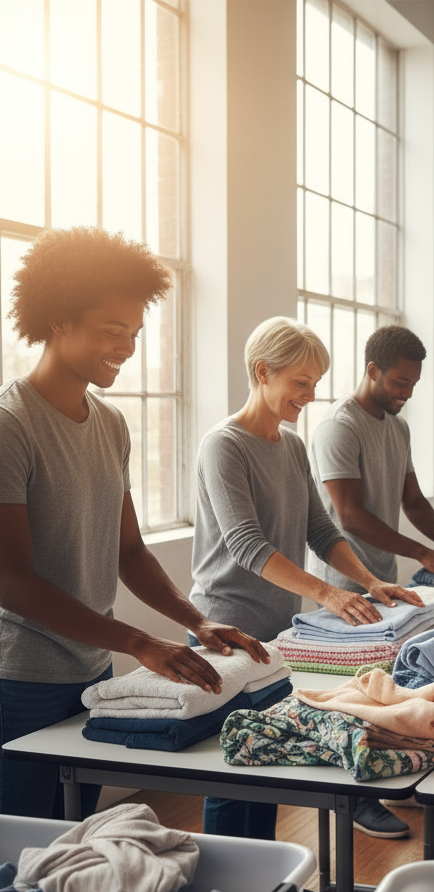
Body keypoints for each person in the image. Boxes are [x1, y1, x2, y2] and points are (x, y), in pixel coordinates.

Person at [0, 227, 266, 820]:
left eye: (134, 333)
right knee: (17, 863)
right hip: (19, 681)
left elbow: (130, 552)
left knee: (72, 850)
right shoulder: (10, 426)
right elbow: (11, 581)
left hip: (92, 670)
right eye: (111, 330)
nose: (126, 347)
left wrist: (199, 622)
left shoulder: (110, 424)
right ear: (59, 320)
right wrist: (139, 642)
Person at [190, 316, 423, 840]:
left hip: (277, 632)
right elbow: (247, 545)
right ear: (261, 372)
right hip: (225, 630)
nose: (311, 395)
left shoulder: (293, 445)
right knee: (231, 776)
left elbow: (321, 528)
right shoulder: (223, 445)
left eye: (316, 383)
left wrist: (369, 581)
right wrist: (326, 593)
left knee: (267, 764)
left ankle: (265, 891)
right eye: (301, 382)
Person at [310, 325, 434, 592]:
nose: (409, 393)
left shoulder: (398, 427)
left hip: (384, 576)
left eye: (413, 384)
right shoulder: (339, 425)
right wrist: (423, 553)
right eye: (402, 382)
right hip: (343, 581)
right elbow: (350, 516)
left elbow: (413, 501)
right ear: (373, 371)